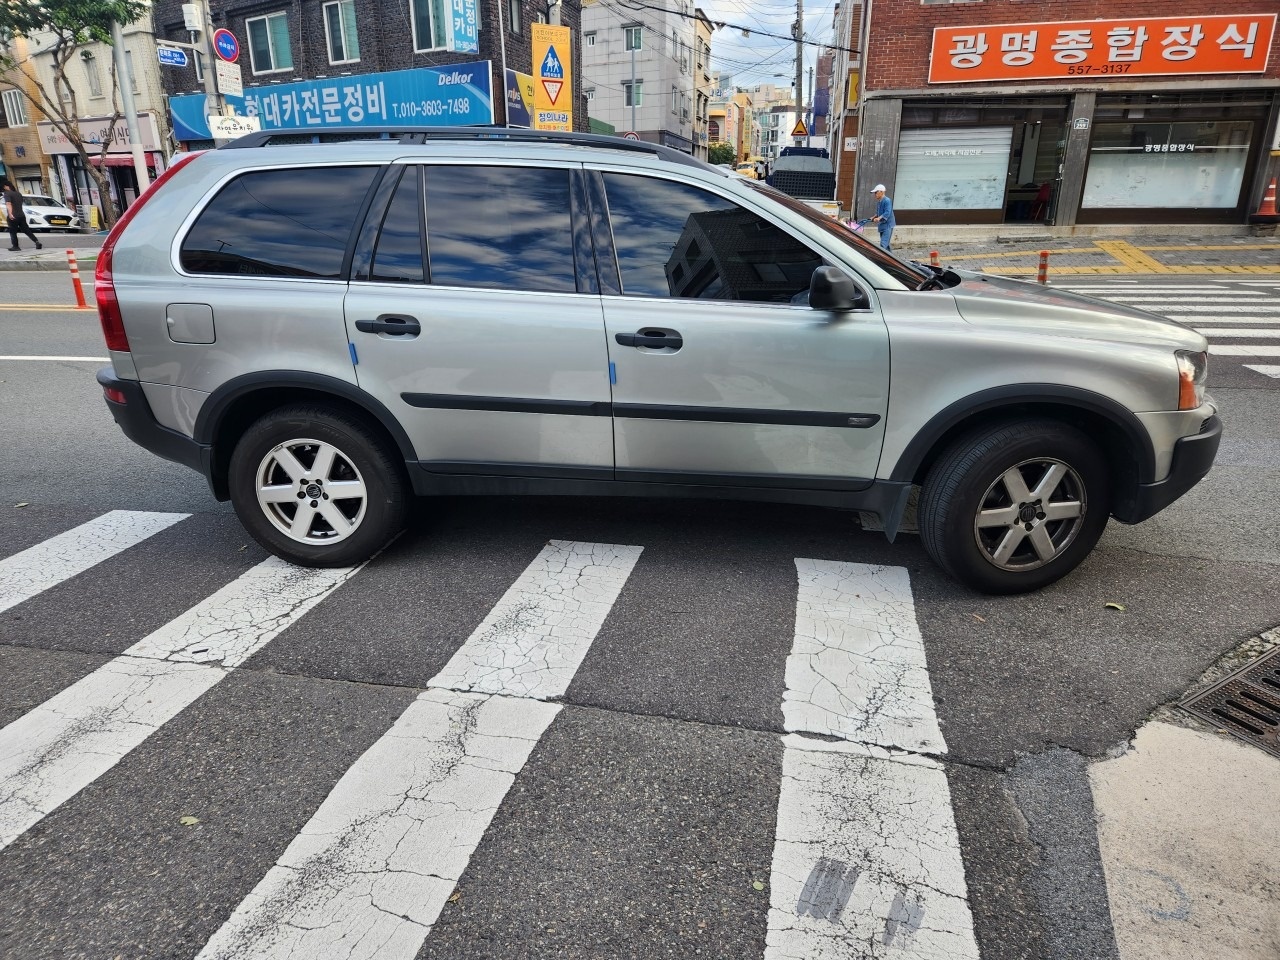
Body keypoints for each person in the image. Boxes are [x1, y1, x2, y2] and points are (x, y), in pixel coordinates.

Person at [2, 181, 42, 252]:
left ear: (6, 186)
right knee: (26, 230)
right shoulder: (18, 193)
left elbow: (8, 204)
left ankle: (15, 246)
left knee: (13, 232)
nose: (4, 188)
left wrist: (10, 214)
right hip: (21, 215)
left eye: (4, 187)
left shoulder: (7, 194)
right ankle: (37, 242)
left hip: (13, 216)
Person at [870, 183, 895, 251]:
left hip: (888, 225)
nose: (875, 194)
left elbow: (887, 212)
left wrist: (878, 218)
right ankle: (890, 259)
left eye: (876, 192)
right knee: (886, 246)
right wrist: (874, 217)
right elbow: (879, 212)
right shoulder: (879, 202)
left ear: (881, 192)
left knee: (883, 245)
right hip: (882, 225)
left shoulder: (887, 200)